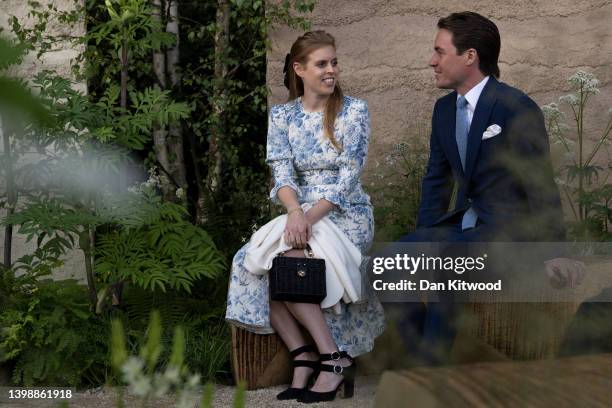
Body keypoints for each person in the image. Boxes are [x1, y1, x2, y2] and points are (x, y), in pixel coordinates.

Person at [396, 11, 569, 365]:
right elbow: (436, 180)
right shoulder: (444, 111)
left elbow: (539, 182)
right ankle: (422, 361)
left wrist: (554, 252)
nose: (432, 61)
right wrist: (424, 236)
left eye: (440, 52)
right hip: (464, 228)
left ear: (470, 56)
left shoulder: (515, 107)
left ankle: (429, 374)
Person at [225, 30, 384, 403]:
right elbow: (281, 174)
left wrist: (308, 219)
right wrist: (295, 213)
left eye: (334, 62)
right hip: (298, 211)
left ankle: (334, 358)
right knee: (251, 262)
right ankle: (303, 354)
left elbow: (348, 177)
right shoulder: (281, 116)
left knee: (292, 261)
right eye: (322, 64)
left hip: (344, 214)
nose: (331, 70)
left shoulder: (354, 110)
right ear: (299, 69)